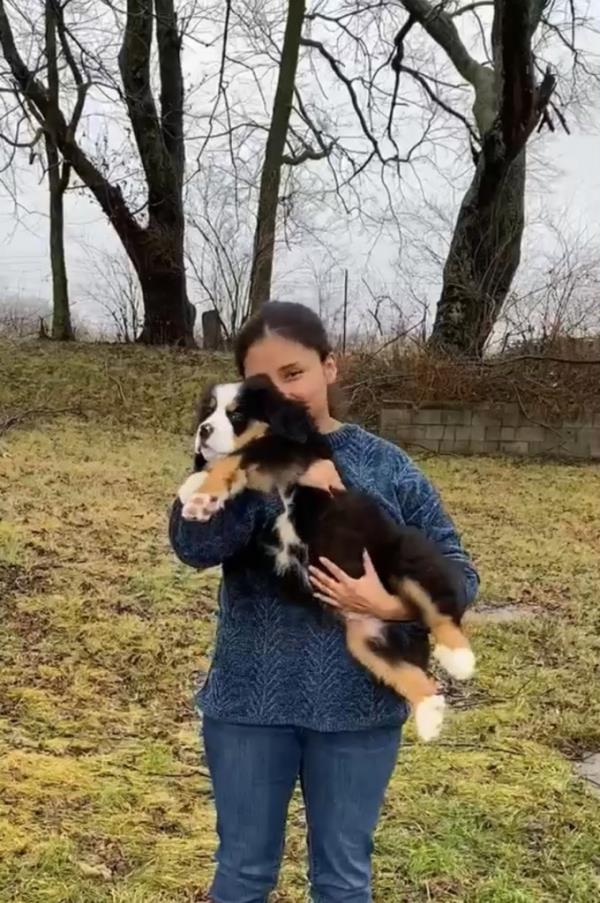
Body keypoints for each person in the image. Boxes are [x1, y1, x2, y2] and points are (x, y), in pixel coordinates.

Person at [169, 301, 479, 903]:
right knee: (241, 876)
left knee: (341, 882)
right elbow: (194, 545)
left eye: (296, 372)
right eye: (267, 381)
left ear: (329, 367)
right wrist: (274, 471)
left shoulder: (387, 465)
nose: (286, 389)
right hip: (248, 707)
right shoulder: (229, 458)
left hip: (355, 713)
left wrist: (389, 605)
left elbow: (459, 571)